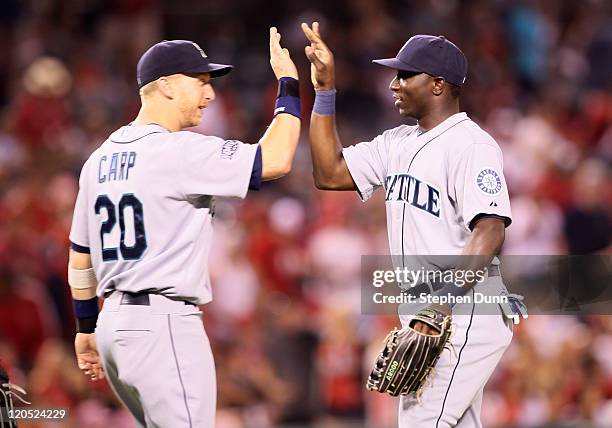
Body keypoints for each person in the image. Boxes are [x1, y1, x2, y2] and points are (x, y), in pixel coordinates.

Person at [67, 28, 301, 427]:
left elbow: (80, 255)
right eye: (202, 82)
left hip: (113, 328)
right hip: (162, 324)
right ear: (168, 87)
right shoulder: (175, 151)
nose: (210, 95)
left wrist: (86, 326)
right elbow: (276, 159)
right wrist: (289, 85)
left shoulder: (99, 159)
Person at [302, 22, 525, 427]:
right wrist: (324, 91)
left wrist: (437, 306)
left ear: (438, 85)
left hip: (461, 310)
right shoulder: (397, 143)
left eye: (406, 74)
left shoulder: (471, 145)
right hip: (433, 313)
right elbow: (329, 173)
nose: (394, 83)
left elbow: (491, 229)